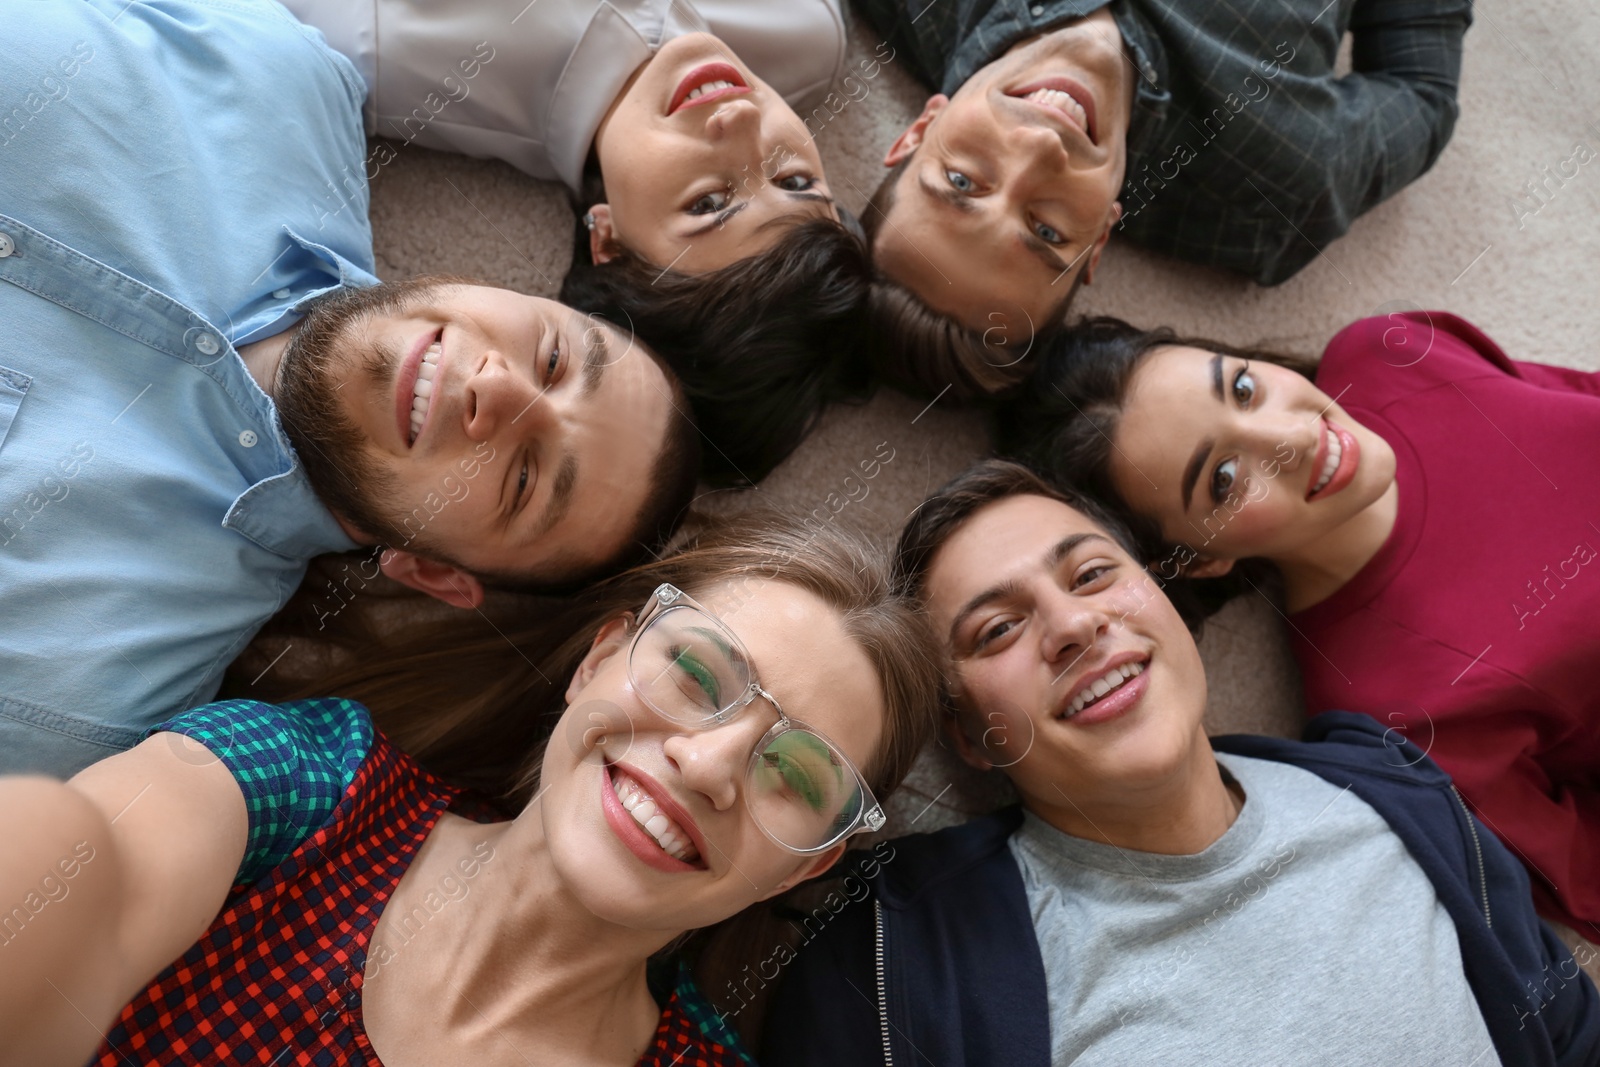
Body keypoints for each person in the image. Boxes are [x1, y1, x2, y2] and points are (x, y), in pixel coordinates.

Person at [0, 1, 699, 778]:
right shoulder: (284, 75)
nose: (498, 391)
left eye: (526, 476)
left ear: (431, 572)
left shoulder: (92, 692)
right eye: (554, 357)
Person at [0, 515, 943, 1067]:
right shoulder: (317, 783)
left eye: (795, 773)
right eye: (698, 675)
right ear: (598, 660)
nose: (705, 765)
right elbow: (86, 865)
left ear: (803, 870)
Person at [760, 461, 1600, 1066]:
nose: (1075, 627)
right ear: (973, 736)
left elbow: (1570, 1033)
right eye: (998, 630)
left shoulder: (1390, 781)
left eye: (1092, 574)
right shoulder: (892, 955)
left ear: (1167, 603)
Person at [998, 312, 1600, 939]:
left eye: (1241, 390)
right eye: (1224, 480)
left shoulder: (1384, 350)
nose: (1296, 436)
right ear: (1201, 560)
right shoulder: (1392, 710)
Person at [282, 1, 881, 484]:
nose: (745, 122)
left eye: (709, 204)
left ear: (608, 242)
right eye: (796, 182)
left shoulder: (374, 50)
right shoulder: (805, 32)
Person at [850, 0, 1473, 396]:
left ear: (918, 131)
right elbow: (1421, 94)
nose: (1041, 151)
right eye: (1046, 232)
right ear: (1099, 242)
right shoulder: (1280, 190)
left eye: (962, 183)